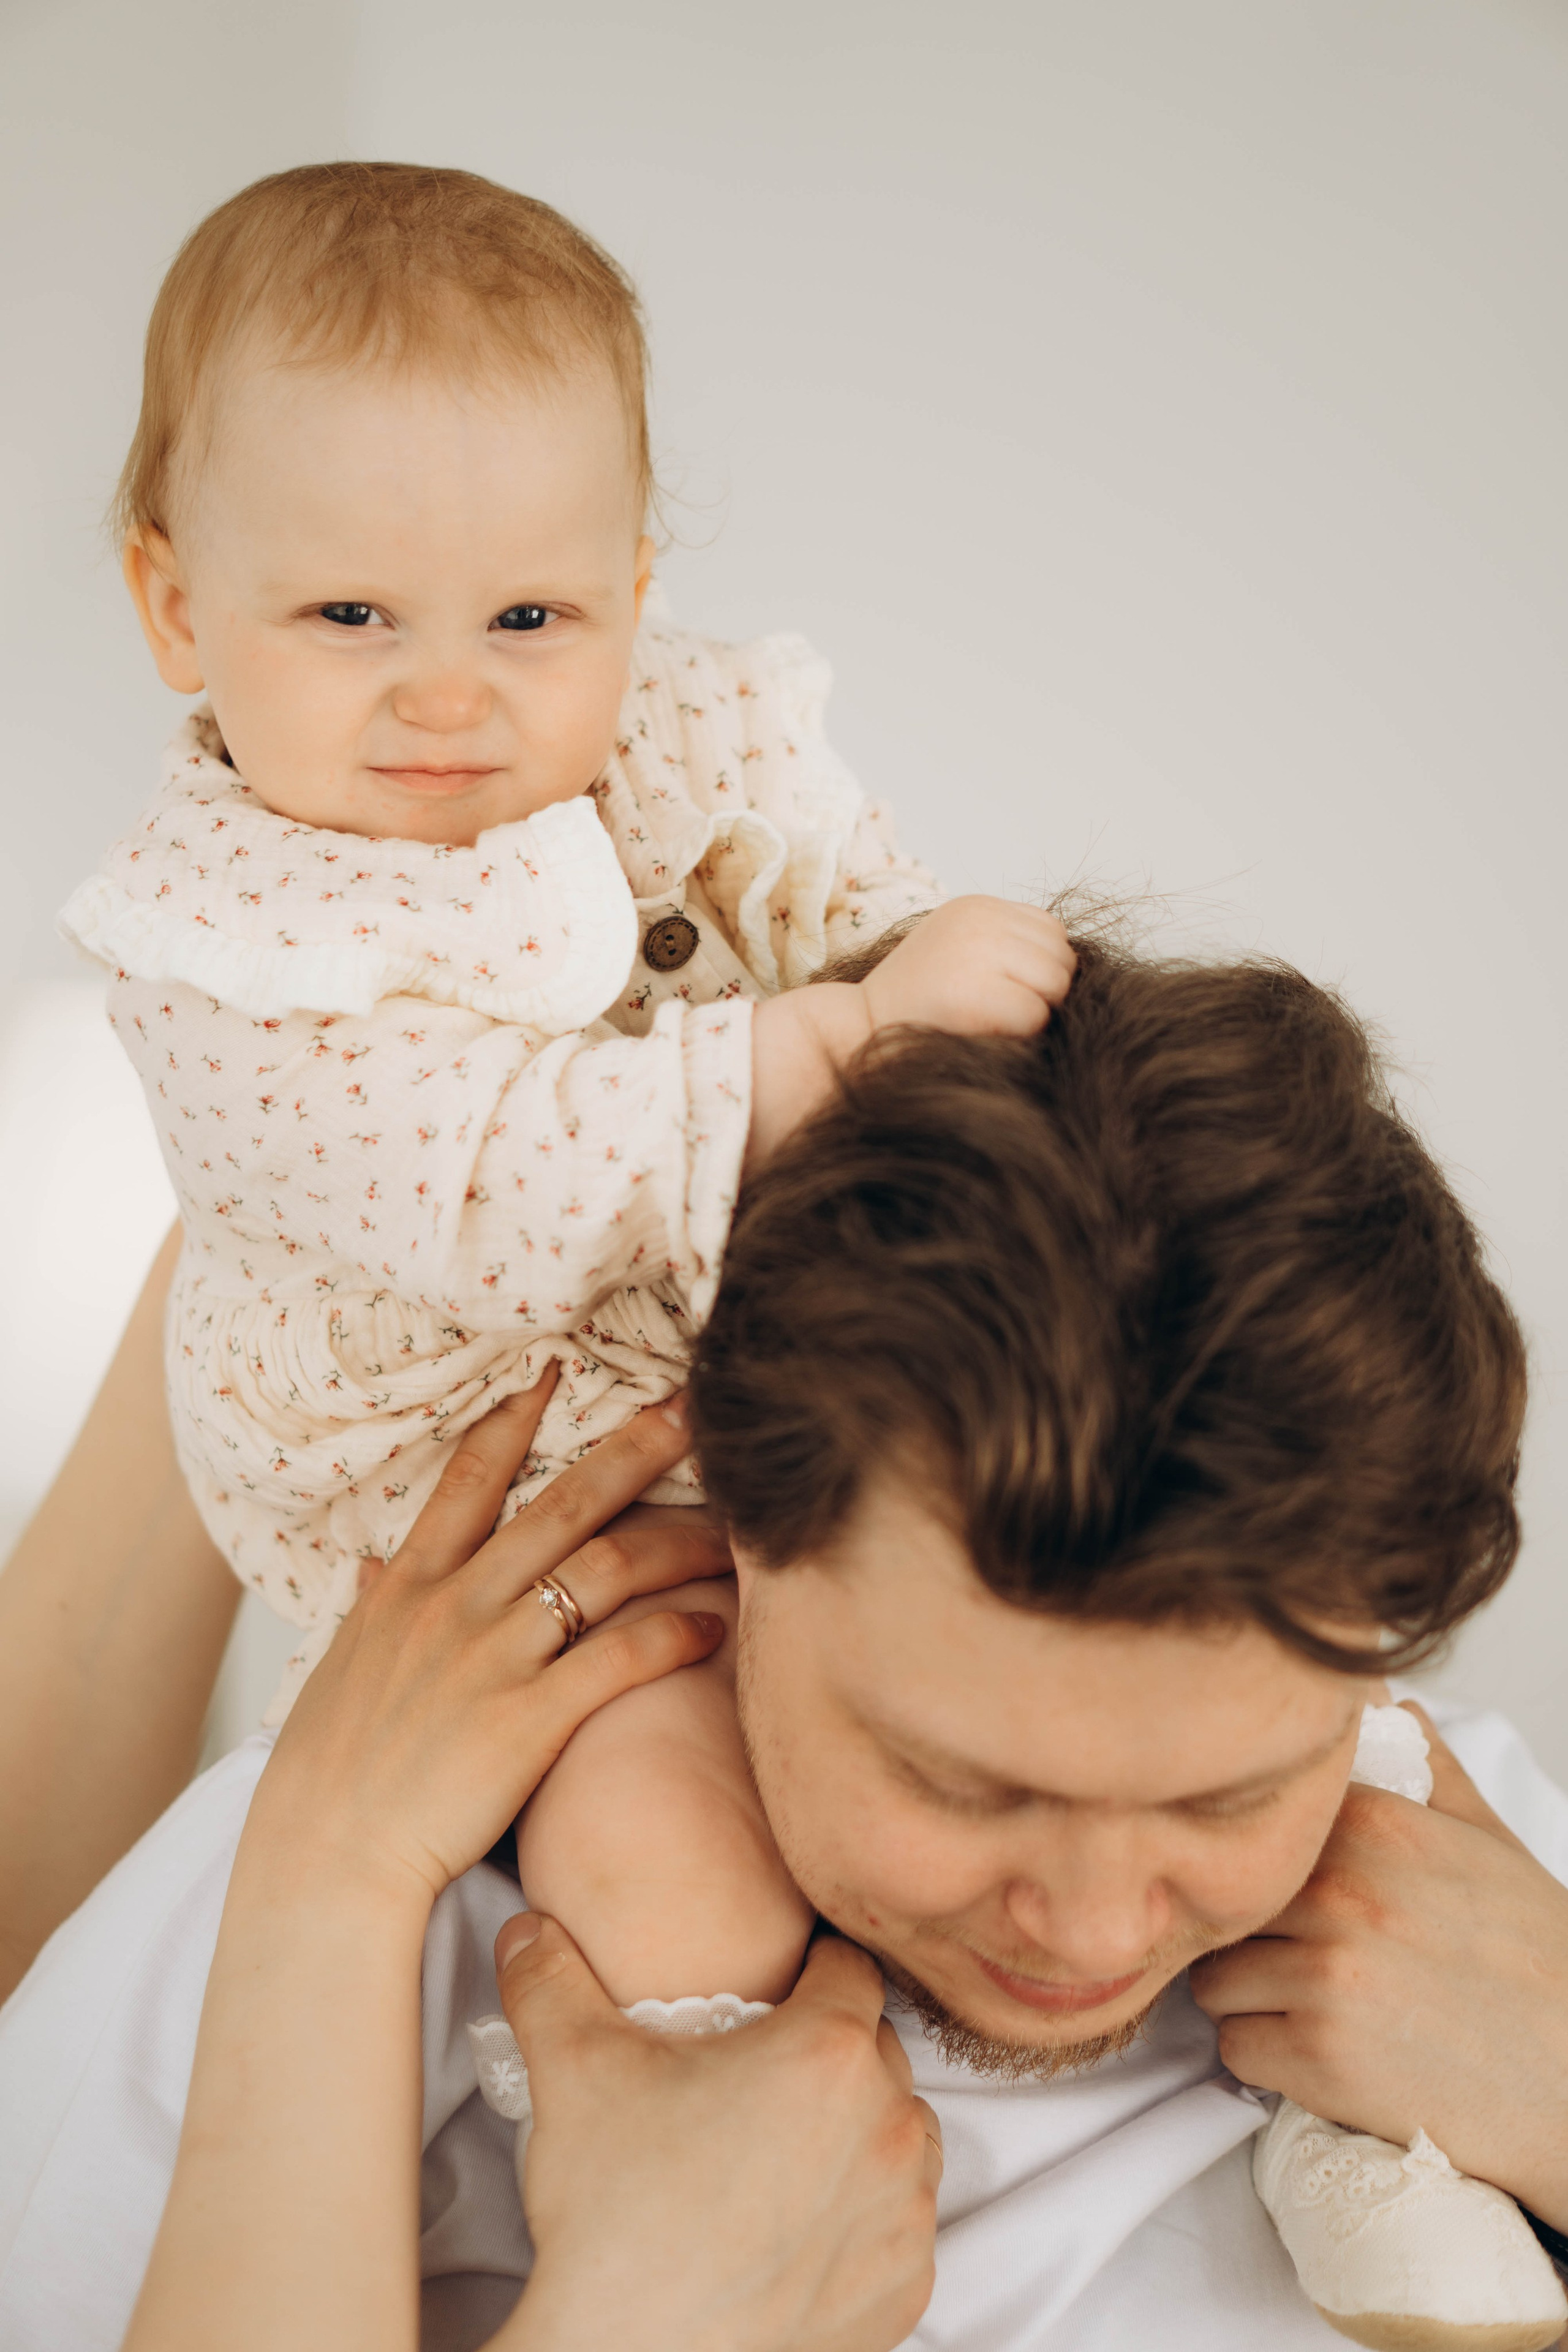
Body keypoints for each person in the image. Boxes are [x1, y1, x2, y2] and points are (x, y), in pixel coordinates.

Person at [3, 944, 1567, 2349]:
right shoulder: (338, 1931)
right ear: (742, 1516)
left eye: (1225, 1799)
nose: (1089, 1931)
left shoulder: (1501, 1904)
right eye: (965, 1785)